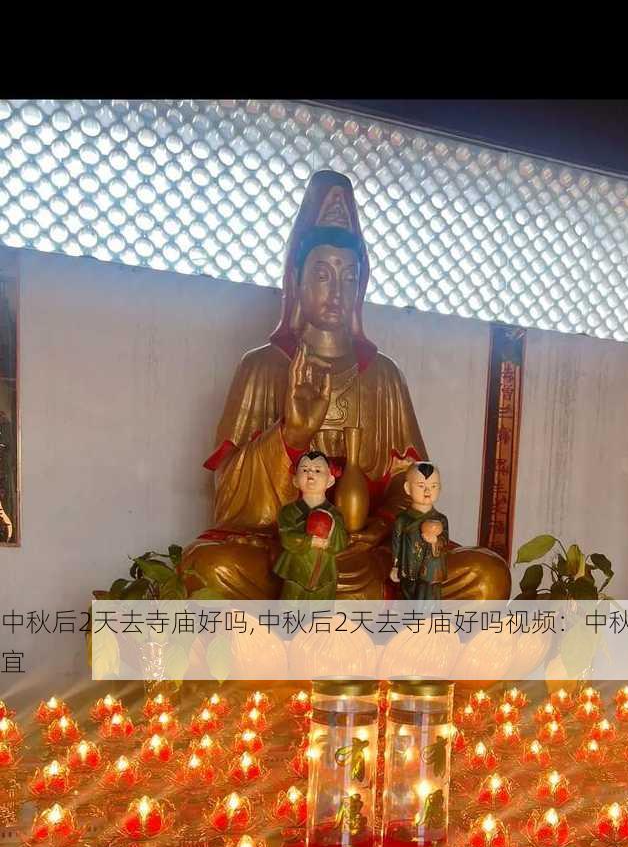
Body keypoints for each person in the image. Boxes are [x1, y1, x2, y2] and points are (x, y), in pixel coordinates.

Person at [180, 171, 510, 601]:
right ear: (296, 281)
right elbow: (230, 493)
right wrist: (291, 435)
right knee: (209, 566)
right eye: (322, 275)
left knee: (487, 574)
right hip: (286, 549)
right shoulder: (262, 366)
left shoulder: (383, 375)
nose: (337, 291)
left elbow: (408, 482)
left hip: (373, 554)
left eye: (349, 277)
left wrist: (380, 526)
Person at [275, 450, 348, 599]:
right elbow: (286, 537)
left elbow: (341, 541)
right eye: (305, 469)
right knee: (291, 610)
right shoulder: (288, 511)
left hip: (324, 571)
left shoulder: (335, 514)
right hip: (296, 570)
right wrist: (311, 541)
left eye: (317, 470)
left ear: (330, 480)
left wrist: (329, 535)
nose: (311, 474)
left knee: (321, 614)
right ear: (295, 480)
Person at [390, 463, 448, 600]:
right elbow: (396, 545)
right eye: (421, 486)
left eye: (433, 486)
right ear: (407, 488)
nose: (427, 491)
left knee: (428, 603)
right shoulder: (402, 519)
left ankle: (427, 620)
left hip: (431, 571)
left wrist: (436, 541)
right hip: (408, 569)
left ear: (440, 488)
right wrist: (395, 566)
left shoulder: (441, 520)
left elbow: (445, 541)